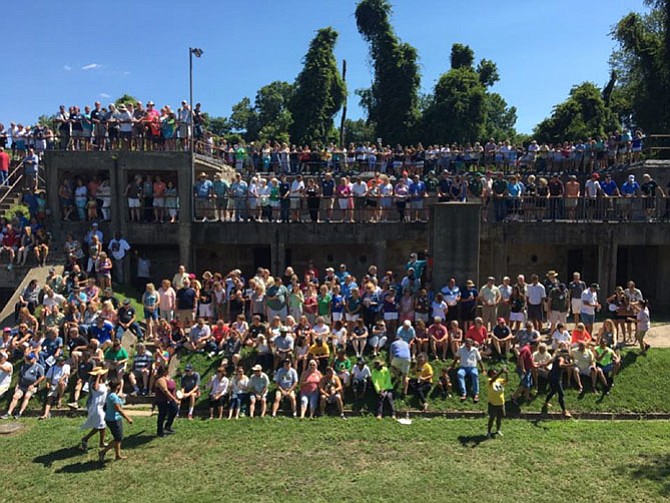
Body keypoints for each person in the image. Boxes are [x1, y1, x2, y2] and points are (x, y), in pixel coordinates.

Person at [98, 378, 133, 464]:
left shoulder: (110, 394)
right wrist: (128, 418)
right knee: (118, 438)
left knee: (117, 438)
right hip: (113, 419)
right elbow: (118, 409)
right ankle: (103, 452)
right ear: (117, 386)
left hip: (112, 418)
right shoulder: (113, 396)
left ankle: (118, 455)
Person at [1, 352, 45, 419]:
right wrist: (17, 385)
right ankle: (9, 412)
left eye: (30, 359)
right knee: (15, 396)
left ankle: (20, 412)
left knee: (27, 396)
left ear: (34, 359)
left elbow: (42, 377)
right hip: (22, 386)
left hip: (32, 386)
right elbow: (20, 376)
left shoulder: (38, 367)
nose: (28, 360)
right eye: (28, 359)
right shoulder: (24, 366)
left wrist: (34, 384)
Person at [80, 366, 109, 450]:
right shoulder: (93, 383)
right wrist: (98, 377)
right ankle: (88, 439)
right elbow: (96, 388)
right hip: (96, 407)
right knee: (101, 425)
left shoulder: (103, 383)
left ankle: (99, 441)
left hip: (102, 406)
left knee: (101, 425)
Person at [542, 344, 573, 417]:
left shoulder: (556, 357)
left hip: (551, 376)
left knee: (553, 391)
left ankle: (546, 403)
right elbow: (560, 365)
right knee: (561, 394)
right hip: (556, 378)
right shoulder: (561, 358)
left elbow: (547, 364)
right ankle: (564, 411)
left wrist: (544, 367)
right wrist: (570, 365)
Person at [451, 338, 485, 403]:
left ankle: (476, 394)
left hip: (472, 368)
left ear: (471, 344)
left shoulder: (475, 350)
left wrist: (483, 369)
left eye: (469, 344)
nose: (467, 345)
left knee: (475, 374)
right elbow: (456, 357)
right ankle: (464, 393)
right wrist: (452, 366)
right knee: (459, 374)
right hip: (463, 368)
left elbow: (479, 360)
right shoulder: (461, 349)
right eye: (466, 343)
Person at [154, 366, 179, 437]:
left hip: (171, 399)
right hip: (162, 400)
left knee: (174, 410)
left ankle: (168, 426)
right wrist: (174, 399)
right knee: (162, 415)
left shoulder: (169, 378)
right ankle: (160, 432)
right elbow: (165, 391)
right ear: (165, 371)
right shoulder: (160, 380)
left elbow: (173, 389)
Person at [486, 367, 508, 438]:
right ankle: (488, 432)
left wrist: (506, 373)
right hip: (493, 403)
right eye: (493, 372)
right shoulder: (489, 380)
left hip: (501, 403)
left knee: (499, 418)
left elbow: (506, 380)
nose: (495, 372)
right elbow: (493, 380)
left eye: (496, 371)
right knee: (491, 418)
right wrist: (500, 372)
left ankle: (498, 430)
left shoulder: (499, 380)